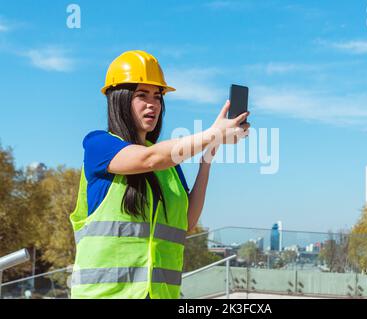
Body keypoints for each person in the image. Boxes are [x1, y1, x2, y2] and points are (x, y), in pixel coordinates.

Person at [69, 50, 250, 299]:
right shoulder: (99, 145)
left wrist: (208, 156)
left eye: (157, 96)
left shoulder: (169, 164)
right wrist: (212, 133)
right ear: (119, 100)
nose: (152, 104)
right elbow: (148, 159)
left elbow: (186, 223)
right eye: (141, 95)